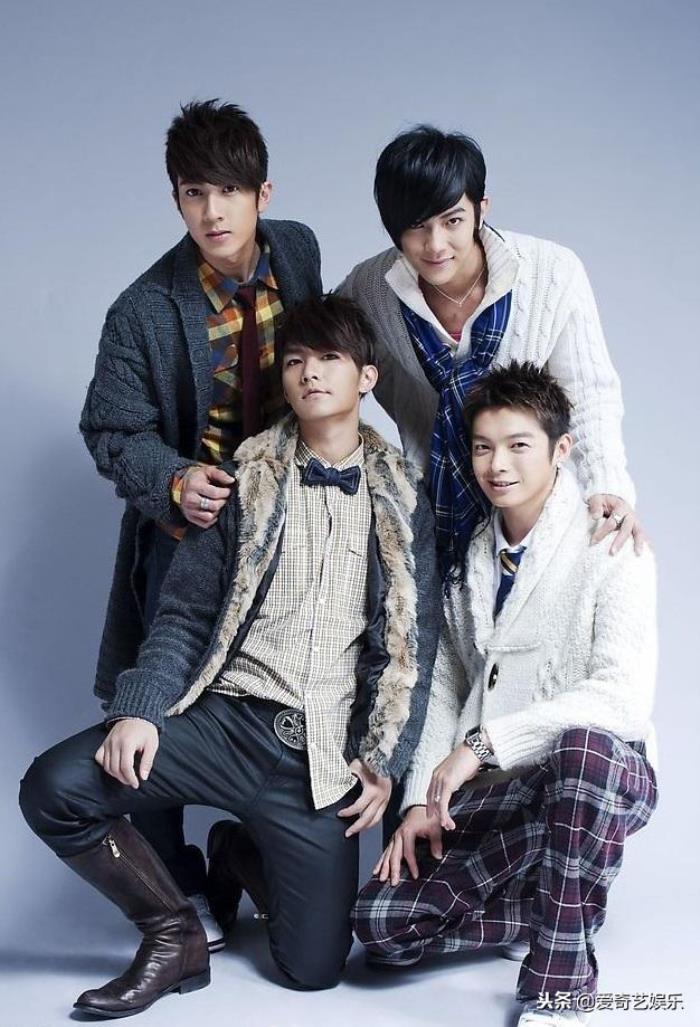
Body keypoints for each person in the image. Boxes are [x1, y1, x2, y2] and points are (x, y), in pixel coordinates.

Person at [20, 295, 441, 1019]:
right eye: (296, 361)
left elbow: (410, 644)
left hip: (318, 757)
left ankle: (240, 853)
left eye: (330, 359)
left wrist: (385, 758)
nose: (310, 374)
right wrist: (138, 709)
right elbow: (183, 613)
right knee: (53, 786)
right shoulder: (243, 481)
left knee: (313, 970)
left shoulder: (404, 502)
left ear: (367, 376)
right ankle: (172, 932)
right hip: (226, 722)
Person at [79, 99, 322, 943]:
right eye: (193, 193)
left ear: (263, 194)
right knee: (162, 687)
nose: (213, 212)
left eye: (228, 191)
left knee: (285, 678)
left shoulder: (299, 252)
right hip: (193, 525)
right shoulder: (142, 309)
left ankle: (253, 847)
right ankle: (173, 884)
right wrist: (174, 479)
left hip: (287, 527)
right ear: (176, 198)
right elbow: (110, 429)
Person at [352, 362, 657, 1027]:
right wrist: (418, 800)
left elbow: (622, 699)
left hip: (603, 775)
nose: (498, 465)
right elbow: (446, 683)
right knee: (380, 926)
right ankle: (559, 901)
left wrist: (484, 743)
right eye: (484, 447)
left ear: (561, 448)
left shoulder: (612, 544)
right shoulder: (469, 559)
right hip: (503, 791)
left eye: (519, 445)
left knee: (582, 750)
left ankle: (559, 982)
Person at [339, 125, 644, 578]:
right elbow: (326, 364)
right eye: (417, 226)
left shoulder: (552, 273)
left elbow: (588, 392)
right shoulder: (370, 288)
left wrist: (607, 483)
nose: (436, 244)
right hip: (428, 508)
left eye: (453, 221)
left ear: (482, 209)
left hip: (531, 505)